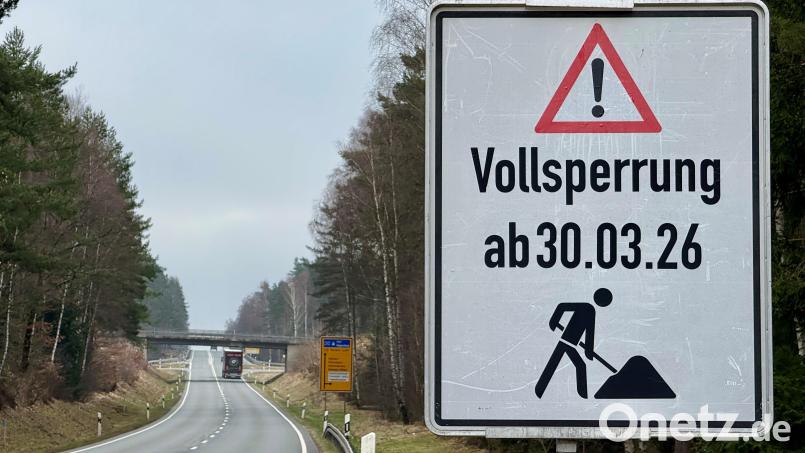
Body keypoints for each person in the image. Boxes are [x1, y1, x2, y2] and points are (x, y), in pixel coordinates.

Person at [535, 288, 612, 399]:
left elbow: (589, 333)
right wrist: (554, 321)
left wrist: (588, 351)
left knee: (558, 364)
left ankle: (540, 390)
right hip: (566, 342)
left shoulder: (589, 309)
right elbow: (562, 306)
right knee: (576, 365)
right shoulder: (588, 308)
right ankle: (582, 396)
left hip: (569, 344)